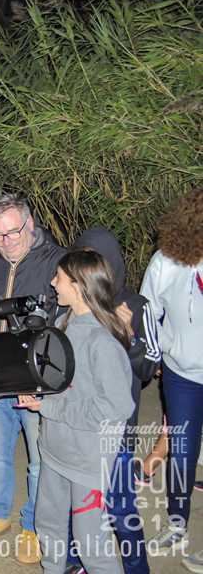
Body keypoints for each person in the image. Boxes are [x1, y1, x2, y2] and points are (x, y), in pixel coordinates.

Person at [20, 249, 135, 574]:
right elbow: (61, 382)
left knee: (90, 544)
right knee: (48, 525)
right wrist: (39, 395)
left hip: (88, 459)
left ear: (79, 286)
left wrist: (50, 406)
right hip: (55, 449)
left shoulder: (103, 343)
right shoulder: (62, 323)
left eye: (59, 278)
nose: (53, 283)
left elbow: (116, 408)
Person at [0, 193, 65, 564]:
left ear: (30, 224)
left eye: (13, 233)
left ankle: (34, 525)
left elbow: (64, 325)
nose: (6, 242)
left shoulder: (56, 261)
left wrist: (41, 378)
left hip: (36, 379)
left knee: (40, 460)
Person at [63, 227, 161, 574]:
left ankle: (136, 569)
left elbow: (149, 367)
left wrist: (130, 337)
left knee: (119, 508)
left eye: (96, 257)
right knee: (78, 505)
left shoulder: (135, 305)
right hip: (76, 424)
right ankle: (76, 564)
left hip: (113, 431)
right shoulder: (74, 300)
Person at [141, 190, 203, 568]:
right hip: (182, 376)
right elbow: (148, 310)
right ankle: (177, 523)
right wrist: (164, 347)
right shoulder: (166, 261)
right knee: (182, 453)